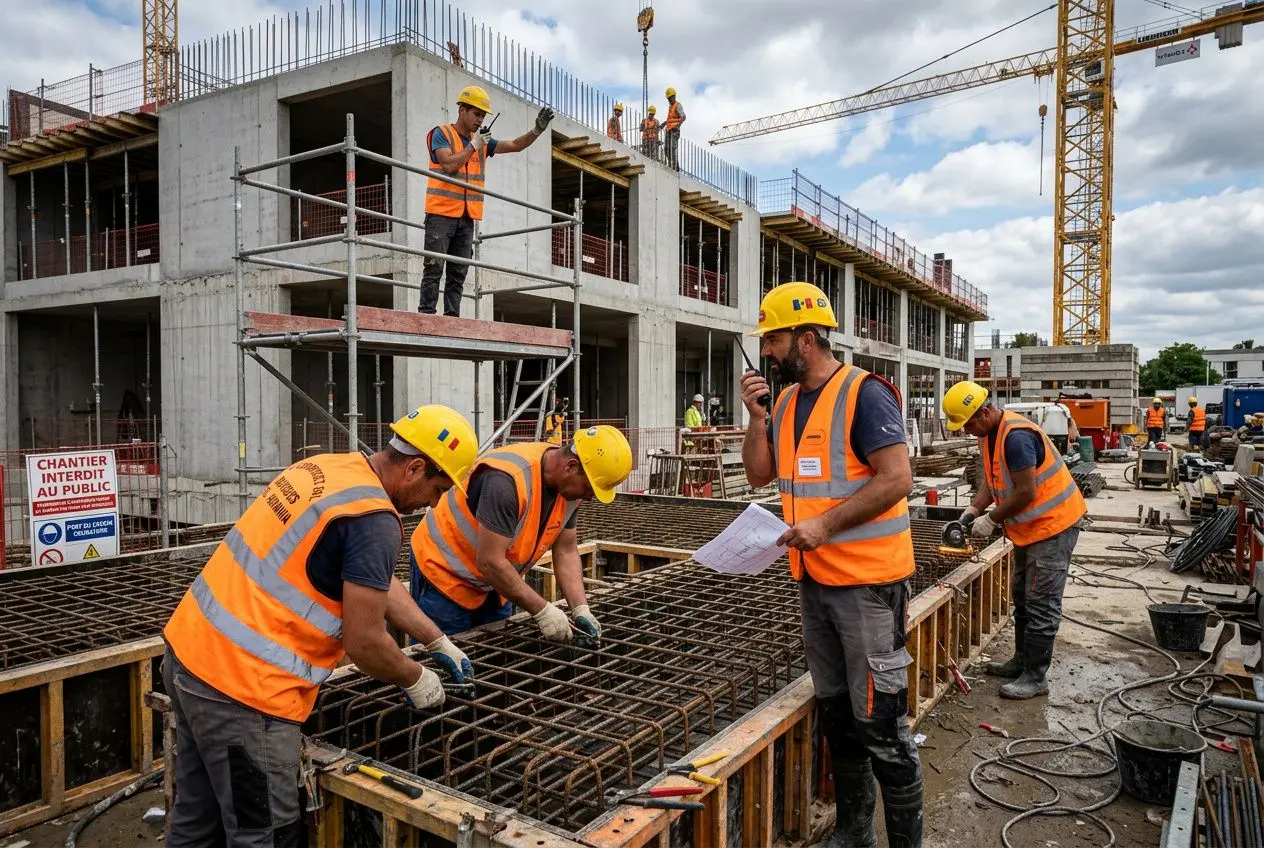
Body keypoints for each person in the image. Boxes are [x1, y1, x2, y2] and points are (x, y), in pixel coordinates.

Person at [161, 405, 479, 847]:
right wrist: (416, 676)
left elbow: (373, 581)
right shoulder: (375, 522)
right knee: (264, 834)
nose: (435, 502)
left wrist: (435, 638)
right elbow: (364, 642)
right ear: (415, 468)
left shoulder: (330, 468)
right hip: (244, 693)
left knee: (197, 821)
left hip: (187, 655)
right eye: (438, 488)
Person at [740, 281, 923, 847]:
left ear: (808, 337)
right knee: (838, 714)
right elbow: (759, 476)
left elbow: (898, 479)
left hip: (868, 585)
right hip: (815, 581)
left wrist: (823, 526)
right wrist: (754, 417)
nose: (767, 352)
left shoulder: (865, 394)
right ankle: (853, 830)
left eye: (773, 340)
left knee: (881, 723)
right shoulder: (789, 402)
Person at [409, 426, 633, 639]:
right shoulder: (506, 481)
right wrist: (542, 610)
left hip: (497, 582)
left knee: (494, 659)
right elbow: (489, 562)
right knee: (446, 661)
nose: (588, 497)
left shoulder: (570, 490)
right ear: (571, 466)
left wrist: (581, 609)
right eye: (589, 489)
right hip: (446, 572)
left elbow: (565, 550)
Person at [943, 381, 1087, 702]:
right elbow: (992, 483)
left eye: (967, 423)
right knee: (1022, 595)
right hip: (1030, 530)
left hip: (1054, 526)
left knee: (1041, 601)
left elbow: (1026, 492)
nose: (966, 430)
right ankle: (1022, 662)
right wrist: (971, 512)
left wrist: (990, 520)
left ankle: (1036, 677)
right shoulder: (989, 435)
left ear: (984, 411)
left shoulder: (1017, 438)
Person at [420, 86, 555, 316]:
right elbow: (450, 166)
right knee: (434, 268)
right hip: (441, 215)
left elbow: (514, 145)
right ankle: (426, 316)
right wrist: (474, 145)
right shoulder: (442, 133)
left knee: (458, 272)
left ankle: (451, 318)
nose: (480, 119)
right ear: (462, 110)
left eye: (483, 115)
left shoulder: (481, 141)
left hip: (467, 217)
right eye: (476, 114)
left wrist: (536, 131)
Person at [664, 87, 686, 169]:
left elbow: (683, 117)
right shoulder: (670, 107)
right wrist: (664, 123)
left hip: (674, 130)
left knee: (672, 148)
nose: (669, 100)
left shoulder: (677, 105)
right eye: (668, 98)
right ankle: (671, 162)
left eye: (670, 98)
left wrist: (678, 125)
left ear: (674, 96)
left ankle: (675, 166)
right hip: (668, 130)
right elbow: (670, 119)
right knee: (666, 148)